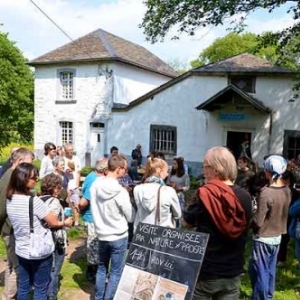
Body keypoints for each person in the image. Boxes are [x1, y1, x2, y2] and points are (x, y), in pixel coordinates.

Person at [183, 146, 252, 300]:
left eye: (205, 167)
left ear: (216, 169)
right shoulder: (245, 196)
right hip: (233, 269)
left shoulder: (205, 193)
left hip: (207, 270)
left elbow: (186, 222)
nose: (203, 171)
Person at [6, 163, 73, 299]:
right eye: (33, 178)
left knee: (24, 287)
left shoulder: (10, 199)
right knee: (40, 289)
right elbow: (53, 222)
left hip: (21, 249)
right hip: (39, 251)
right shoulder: (33, 201)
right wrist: (65, 222)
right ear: (23, 179)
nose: (36, 181)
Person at [90, 154, 136, 300]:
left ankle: (99, 297)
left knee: (102, 268)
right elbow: (130, 216)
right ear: (119, 169)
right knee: (115, 272)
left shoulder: (95, 185)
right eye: (125, 169)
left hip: (102, 233)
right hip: (118, 236)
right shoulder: (120, 191)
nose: (126, 172)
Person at [249, 155, 291, 300]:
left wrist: (251, 221)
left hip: (263, 238)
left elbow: (258, 221)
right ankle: (268, 296)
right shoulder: (287, 190)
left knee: (259, 272)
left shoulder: (266, 192)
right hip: (278, 236)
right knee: (270, 271)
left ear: (267, 172)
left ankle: (261, 298)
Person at [0, 148, 34, 300]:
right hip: (11, 230)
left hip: (12, 229)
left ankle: (8, 295)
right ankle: (11, 296)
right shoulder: (9, 177)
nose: (31, 169)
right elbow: (1, 207)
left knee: (11, 266)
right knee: (18, 268)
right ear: (20, 161)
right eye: (29, 164)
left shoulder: (12, 176)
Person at [40, 173, 71, 300]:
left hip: (41, 240)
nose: (60, 190)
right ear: (54, 187)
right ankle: (51, 295)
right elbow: (50, 222)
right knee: (54, 271)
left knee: (44, 270)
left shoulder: (38, 199)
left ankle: (43, 293)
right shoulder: (55, 202)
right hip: (54, 241)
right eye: (58, 187)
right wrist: (65, 222)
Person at [78, 158, 108, 283]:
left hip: (91, 217)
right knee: (94, 246)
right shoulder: (95, 180)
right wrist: (80, 208)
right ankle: (92, 273)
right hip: (92, 218)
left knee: (94, 245)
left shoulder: (91, 175)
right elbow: (84, 201)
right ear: (105, 170)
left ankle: (94, 270)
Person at [133, 157, 181, 232]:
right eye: (166, 171)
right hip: (162, 233)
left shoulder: (137, 189)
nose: (167, 174)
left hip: (141, 233)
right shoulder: (169, 191)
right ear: (159, 170)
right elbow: (177, 215)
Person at [64, 143, 81, 227]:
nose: (71, 152)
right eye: (69, 151)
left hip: (74, 185)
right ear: (65, 151)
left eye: (72, 151)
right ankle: (67, 222)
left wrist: (77, 186)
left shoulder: (76, 159)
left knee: (76, 204)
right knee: (67, 204)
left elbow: (78, 172)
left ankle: (77, 223)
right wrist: (66, 171)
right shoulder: (62, 159)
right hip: (66, 185)